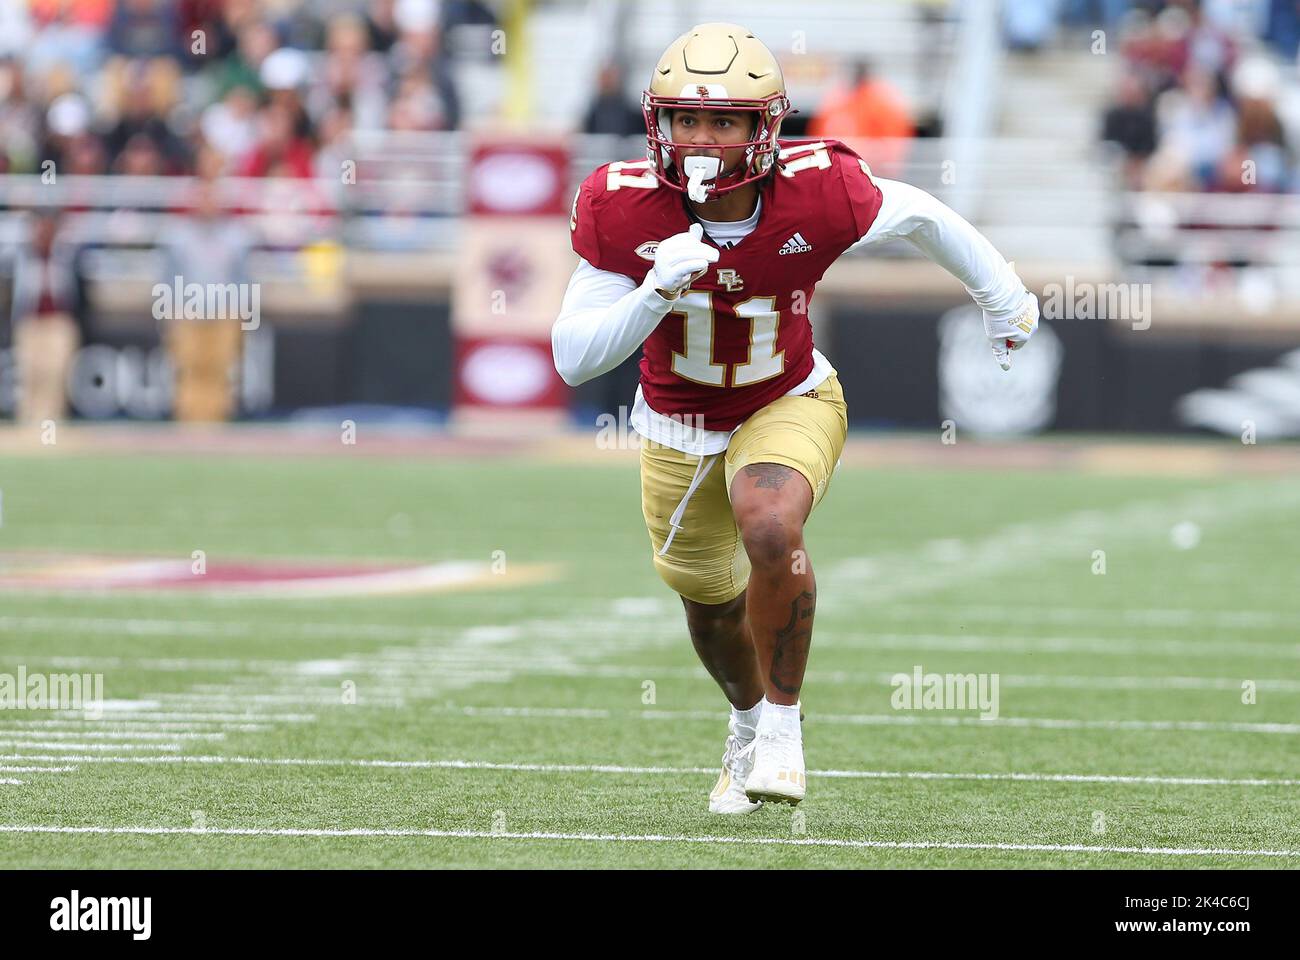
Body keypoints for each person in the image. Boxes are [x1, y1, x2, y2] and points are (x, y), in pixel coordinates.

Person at [551, 23, 1038, 813]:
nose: (702, 138)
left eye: (725, 121)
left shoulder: (819, 188)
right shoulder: (625, 205)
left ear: (764, 128)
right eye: (686, 119)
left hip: (790, 395)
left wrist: (1002, 295)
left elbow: (919, 213)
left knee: (770, 524)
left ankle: (781, 729)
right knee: (709, 611)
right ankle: (746, 724)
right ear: (658, 124)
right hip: (676, 425)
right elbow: (574, 357)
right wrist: (652, 293)